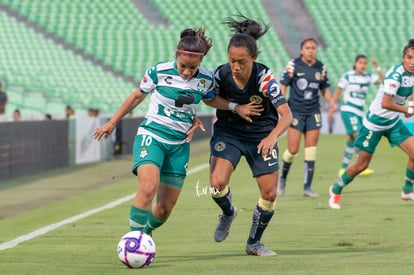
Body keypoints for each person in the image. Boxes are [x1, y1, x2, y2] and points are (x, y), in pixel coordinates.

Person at [93, 28, 254, 237]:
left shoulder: (206, 80)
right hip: (152, 137)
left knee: (164, 209)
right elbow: (136, 97)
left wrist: (235, 107)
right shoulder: (158, 71)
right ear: (176, 56)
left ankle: (146, 234)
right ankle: (134, 239)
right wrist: (112, 123)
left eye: (192, 67)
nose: (187, 72)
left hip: (179, 146)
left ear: (201, 61)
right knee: (148, 187)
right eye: (183, 66)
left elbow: (209, 99)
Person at [209, 14, 292, 256]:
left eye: (242, 61)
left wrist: (272, 137)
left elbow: (286, 115)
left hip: (261, 136)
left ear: (254, 59)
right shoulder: (221, 74)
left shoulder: (265, 79)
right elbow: (209, 98)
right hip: (229, 132)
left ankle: (254, 243)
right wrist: (236, 107)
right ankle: (228, 212)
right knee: (216, 185)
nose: (235, 66)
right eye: (232, 60)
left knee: (269, 193)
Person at [329, 39, 414, 209]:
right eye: (409, 58)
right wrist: (406, 109)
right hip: (374, 124)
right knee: (362, 165)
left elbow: (407, 96)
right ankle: (336, 188)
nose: (412, 62)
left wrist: (409, 104)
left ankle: (407, 189)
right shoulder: (395, 76)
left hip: (393, 123)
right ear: (403, 58)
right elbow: (386, 103)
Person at [277, 38, 335, 198]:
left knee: (311, 150)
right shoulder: (293, 65)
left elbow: (324, 88)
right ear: (302, 50)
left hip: (313, 112)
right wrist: (281, 102)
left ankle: (307, 188)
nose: (311, 50)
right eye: (308, 48)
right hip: (295, 111)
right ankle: (282, 179)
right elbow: (283, 84)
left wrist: (331, 102)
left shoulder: (320, 67)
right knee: (293, 150)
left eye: (313, 48)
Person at [330, 55, 385, 177]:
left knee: (351, 139)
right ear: (355, 63)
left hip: (360, 112)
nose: (363, 65)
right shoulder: (348, 75)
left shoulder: (367, 77)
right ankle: (361, 165)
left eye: (365, 63)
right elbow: (338, 90)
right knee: (358, 135)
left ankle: (343, 168)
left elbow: (386, 81)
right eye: (360, 63)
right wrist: (332, 106)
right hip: (348, 110)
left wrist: (377, 67)